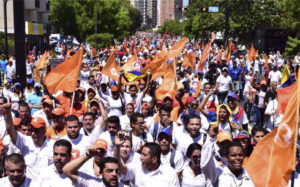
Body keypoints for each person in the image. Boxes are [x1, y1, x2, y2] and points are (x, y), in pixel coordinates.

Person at [4, 103, 54, 175]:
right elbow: (10, 130)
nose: (33, 133)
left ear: (44, 131)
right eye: (32, 130)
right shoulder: (25, 141)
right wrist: (8, 112)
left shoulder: (53, 145)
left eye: (37, 130)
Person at [114, 133, 180, 186]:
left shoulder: (170, 173)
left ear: (154, 159)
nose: (140, 157)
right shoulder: (137, 168)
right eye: (141, 154)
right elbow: (120, 167)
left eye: (144, 155)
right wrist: (117, 147)